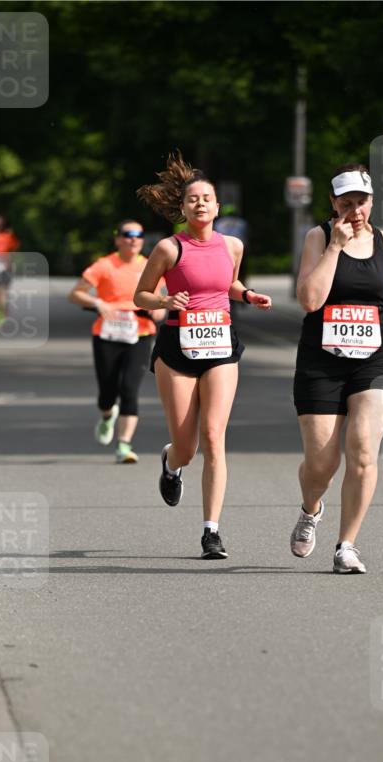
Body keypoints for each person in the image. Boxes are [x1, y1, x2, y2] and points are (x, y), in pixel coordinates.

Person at [290, 163, 383, 574]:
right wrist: (335, 247)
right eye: (346, 203)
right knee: (321, 465)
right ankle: (311, 509)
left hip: (375, 358)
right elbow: (309, 301)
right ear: (333, 203)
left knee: (364, 449)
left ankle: (346, 545)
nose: (355, 211)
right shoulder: (318, 237)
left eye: (362, 202)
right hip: (322, 362)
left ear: (372, 201)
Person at [134, 151, 272, 559]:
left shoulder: (232, 245)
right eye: (192, 198)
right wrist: (164, 301)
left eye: (206, 198)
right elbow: (139, 296)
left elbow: (227, 284)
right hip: (177, 347)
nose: (200, 203)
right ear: (182, 208)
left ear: (217, 206)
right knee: (187, 446)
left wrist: (246, 294)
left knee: (214, 436)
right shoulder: (167, 248)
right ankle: (171, 462)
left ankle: (211, 531)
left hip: (220, 346)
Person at [68, 220, 167, 463]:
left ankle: (124, 445)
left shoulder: (150, 266)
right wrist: (99, 303)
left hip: (140, 334)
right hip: (107, 335)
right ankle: (106, 415)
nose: (133, 239)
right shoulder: (104, 265)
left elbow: (162, 303)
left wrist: (158, 311)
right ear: (118, 239)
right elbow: (75, 294)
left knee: (129, 389)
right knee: (107, 392)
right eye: (127, 234)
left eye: (138, 235)